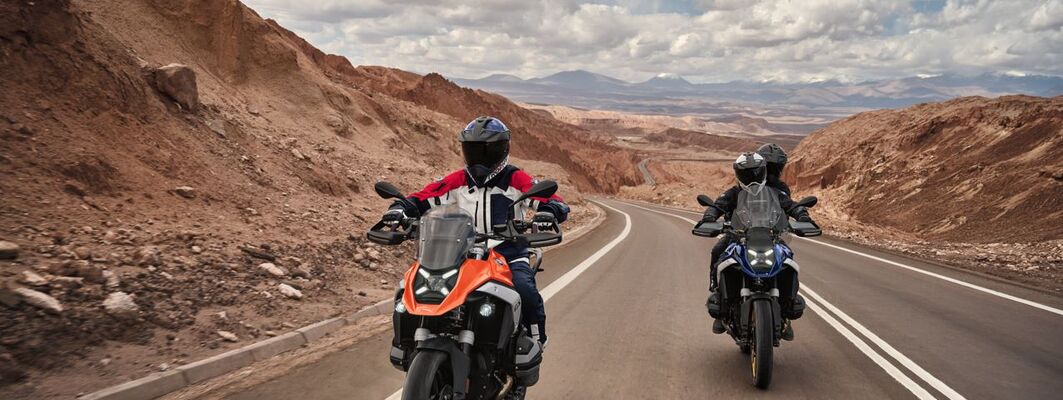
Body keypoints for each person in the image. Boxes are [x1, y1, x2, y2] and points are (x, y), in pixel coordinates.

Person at [380, 116, 569, 349]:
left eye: (487, 150)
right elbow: (424, 196)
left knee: (524, 290)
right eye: (474, 150)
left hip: (508, 253)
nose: (480, 158)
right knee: (421, 287)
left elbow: (552, 200)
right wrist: (400, 208)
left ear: (503, 149)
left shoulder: (515, 178)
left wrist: (548, 212)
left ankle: (536, 340)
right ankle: (411, 343)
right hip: (461, 254)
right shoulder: (458, 179)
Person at [700, 150, 812, 339]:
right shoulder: (734, 193)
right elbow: (718, 205)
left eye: (756, 172)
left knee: (788, 258)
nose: (751, 177)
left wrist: (802, 214)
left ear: (763, 171)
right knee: (718, 251)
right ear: (738, 174)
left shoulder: (774, 192)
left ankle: (787, 309)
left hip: (770, 236)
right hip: (739, 236)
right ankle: (718, 296)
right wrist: (710, 216)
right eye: (746, 174)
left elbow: (790, 205)